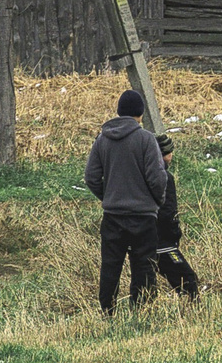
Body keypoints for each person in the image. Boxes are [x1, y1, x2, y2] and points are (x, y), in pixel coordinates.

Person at [83, 87, 167, 313]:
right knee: (144, 266)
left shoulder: (102, 139)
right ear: (140, 113)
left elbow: (91, 177)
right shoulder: (146, 139)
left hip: (112, 217)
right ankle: (141, 310)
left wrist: (109, 195)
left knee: (110, 266)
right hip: (143, 216)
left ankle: (107, 311)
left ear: (119, 112)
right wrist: (157, 201)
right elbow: (157, 178)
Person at [151, 133, 200, 300]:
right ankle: (192, 313)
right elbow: (167, 212)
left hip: (141, 239)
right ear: (166, 154)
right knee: (188, 280)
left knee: (146, 282)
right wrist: (174, 233)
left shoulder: (141, 174)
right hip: (163, 242)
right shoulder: (165, 177)